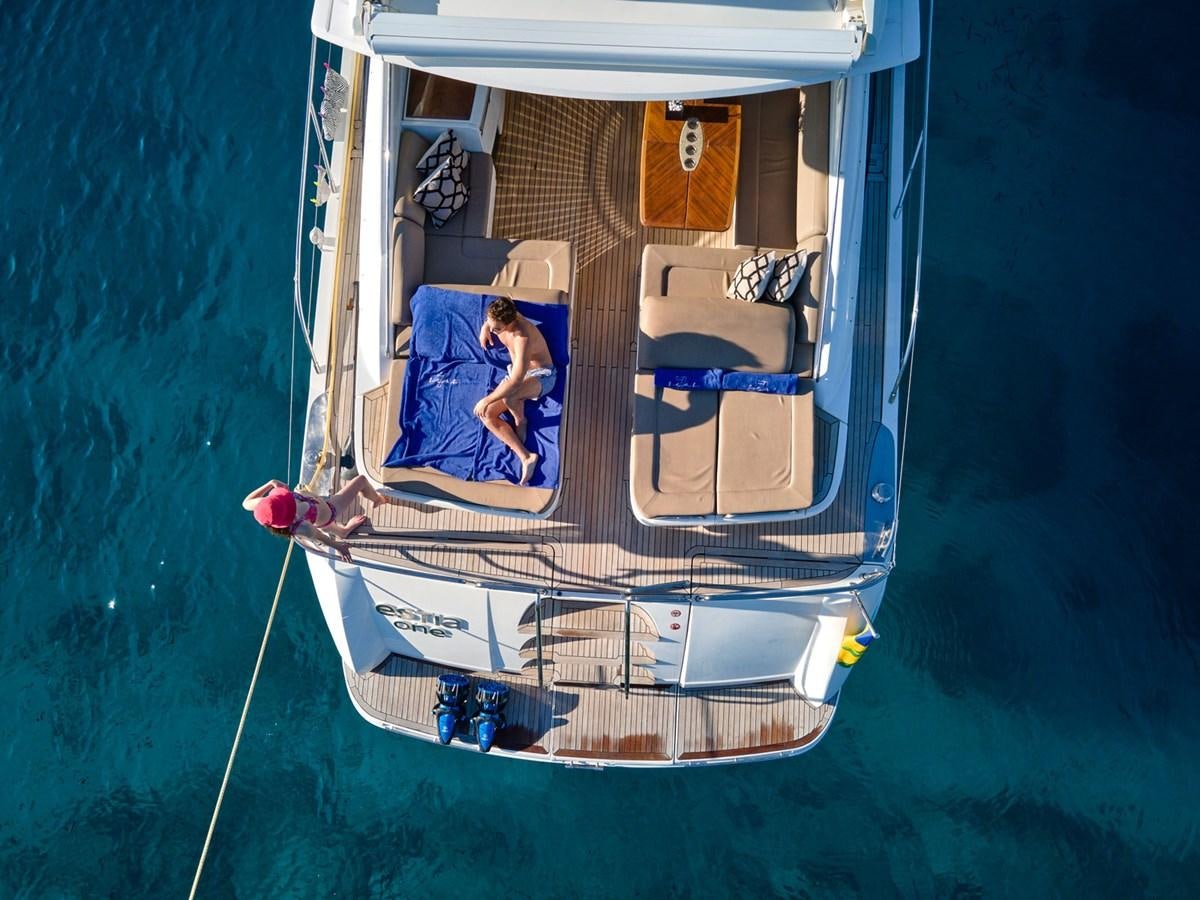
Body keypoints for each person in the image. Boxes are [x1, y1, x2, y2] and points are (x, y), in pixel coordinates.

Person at [472, 296, 556, 485]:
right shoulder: (504, 312)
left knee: (510, 397)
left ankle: (520, 421)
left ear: (510, 324)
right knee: (486, 415)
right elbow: (503, 302)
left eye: (497, 329)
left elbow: (516, 380)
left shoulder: (522, 338)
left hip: (543, 375)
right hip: (520, 373)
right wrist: (485, 328)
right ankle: (526, 456)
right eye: (492, 325)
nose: (494, 331)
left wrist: (486, 399)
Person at [242, 475, 397, 562]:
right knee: (361, 481)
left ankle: (342, 531)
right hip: (330, 510)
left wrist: (270, 483)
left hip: (320, 517)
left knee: (328, 526)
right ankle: (378, 499)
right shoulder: (303, 528)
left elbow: (246, 503)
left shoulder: (265, 505)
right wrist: (339, 548)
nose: (285, 495)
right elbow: (321, 538)